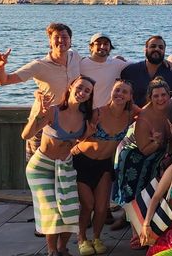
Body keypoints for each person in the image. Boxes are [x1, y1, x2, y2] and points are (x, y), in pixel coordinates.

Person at [22, 75, 95, 256]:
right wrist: (38, 114)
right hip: (41, 167)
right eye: (80, 87)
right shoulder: (53, 111)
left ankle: (63, 248)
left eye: (87, 91)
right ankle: (52, 251)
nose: (82, 92)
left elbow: (74, 143)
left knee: (70, 209)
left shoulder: (85, 117)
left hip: (65, 165)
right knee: (52, 211)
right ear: (70, 87)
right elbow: (26, 134)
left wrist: (87, 135)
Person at [0, 22, 82, 161]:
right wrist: (0, 67)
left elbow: (92, 68)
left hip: (67, 123)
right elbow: (4, 81)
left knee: (64, 167)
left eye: (65, 37)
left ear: (70, 41)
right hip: (43, 121)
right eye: (56, 37)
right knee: (38, 166)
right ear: (50, 41)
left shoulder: (75, 57)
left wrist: (116, 60)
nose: (61, 40)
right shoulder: (38, 65)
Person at [71, 79, 133, 256]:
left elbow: (150, 112)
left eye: (124, 92)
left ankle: (96, 238)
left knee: (101, 207)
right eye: (117, 90)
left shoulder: (130, 115)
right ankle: (82, 238)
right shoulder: (97, 113)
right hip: (82, 162)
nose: (120, 94)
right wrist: (87, 135)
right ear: (111, 92)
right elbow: (76, 138)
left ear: (129, 96)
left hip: (104, 165)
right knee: (88, 204)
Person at [113, 78, 172, 249]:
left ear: (169, 96)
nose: (160, 99)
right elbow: (144, 149)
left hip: (159, 152)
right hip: (136, 154)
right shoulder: (144, 118)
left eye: (163, 95)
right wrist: (157, 142)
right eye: (156, 96)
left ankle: (158, 225)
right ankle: (136, 232)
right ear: (150, 97)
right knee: (136, 188)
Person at [120, 36, 172, 106]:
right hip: (134, 115)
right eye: (153, 46)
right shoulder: (130, 71)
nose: (157, 49)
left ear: (164, 51)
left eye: (161, 47)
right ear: (145, 49)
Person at [79, 33, 129, 108]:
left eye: (106, 44)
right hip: (84, 111)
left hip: (105, 113)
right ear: (91, 47)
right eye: (98, 44)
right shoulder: (80, 64)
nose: (102, 47)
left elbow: (142, 65)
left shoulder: (118, 64)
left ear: (110, 47)